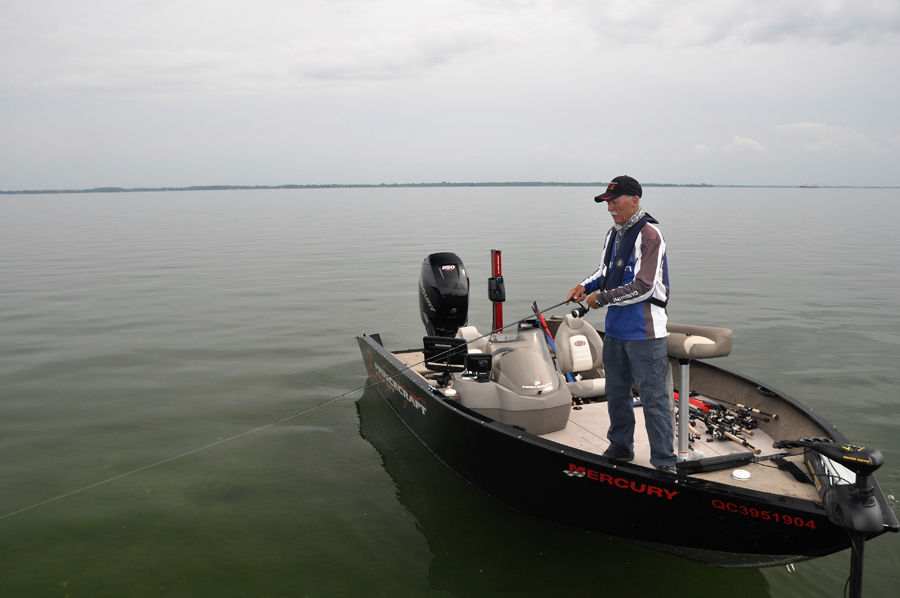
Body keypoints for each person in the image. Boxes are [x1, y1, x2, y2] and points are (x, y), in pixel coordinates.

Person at [567, 175, 676, 471]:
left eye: (614, 202)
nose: (610, 208)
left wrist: (600, 299)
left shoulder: (650, 236)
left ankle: (664, 461)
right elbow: (605, 271)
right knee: (616, 392)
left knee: (654, 397)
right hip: (615, 331)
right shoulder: (613, 234)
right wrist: (584, 287)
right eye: (607, 202)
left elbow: (644, 286)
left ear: (634, 201)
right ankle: (620, 447)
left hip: (646, 333)